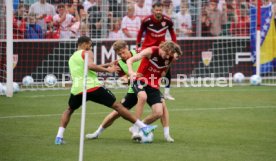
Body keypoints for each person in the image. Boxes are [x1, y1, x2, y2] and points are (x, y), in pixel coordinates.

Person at [55, 36, 157, 145]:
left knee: (69, 110)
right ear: (84, 44)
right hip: (93, 87)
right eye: (90, 44)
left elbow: (87, 67)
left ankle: (59, 137)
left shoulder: (72, 58)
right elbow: (90, 66)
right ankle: (142, 127)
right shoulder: (87, 52)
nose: (91, 47)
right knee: (118, 106)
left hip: (77, 89)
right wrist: (108, 70)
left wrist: (106, 65)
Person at [86, 40, 174, 142]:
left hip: (151, 84)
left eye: (123, 52)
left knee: (162, 107)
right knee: (117, 112)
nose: (122, 55)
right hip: (134, 88)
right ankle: (97, 132)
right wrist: (126, 79)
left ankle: (166, 134)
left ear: (127, 48)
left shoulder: (138, 52)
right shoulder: (118, 64)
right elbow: (125, 78)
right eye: (119, 54)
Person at [127, 41, 182, 143]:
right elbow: (130, 60)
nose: (166, 57)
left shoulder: (170, 57)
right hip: (140, 80)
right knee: (142, 97)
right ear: (163, 48)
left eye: (169, 55)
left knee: (158, 112)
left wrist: (163, 73)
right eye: (166, 54)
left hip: (153, 85)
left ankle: (145, 127)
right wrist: (131, 72)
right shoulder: (150, 51)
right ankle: (135, 128)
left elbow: (165, 69)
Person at [136, 1, 177, 100]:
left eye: (160, 10)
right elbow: (140, 32)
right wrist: (138, 45)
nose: (158, 11)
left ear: (162, 9)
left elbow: (172, 32)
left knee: (166, 68)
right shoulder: (146, 20)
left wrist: (174, 46)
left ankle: (167, 92)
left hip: (161, 49)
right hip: (148, 48)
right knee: (146, 69)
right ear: (153, 10)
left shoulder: (167, 20)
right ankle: (140, 88)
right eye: (157, 10)